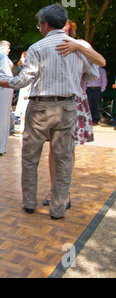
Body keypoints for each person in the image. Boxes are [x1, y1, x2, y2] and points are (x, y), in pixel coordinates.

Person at [0, 3, 99, 220]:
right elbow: (92, 74)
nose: (39, 28)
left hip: (40, 107)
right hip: (68, 107)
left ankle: (29, 202)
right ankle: (58, 209)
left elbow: (22, 80)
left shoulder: (37, 48)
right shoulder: (77, 46)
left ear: (45, 24)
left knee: (31, 156)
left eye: (39, 24)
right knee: (64, 158)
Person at [43, 19, 106, 207]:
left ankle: (63, 191)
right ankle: (53, 188)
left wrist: (77, 47)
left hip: (74, 101)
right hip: (52, 102)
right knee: (53, 148)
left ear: (68, 25)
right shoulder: (48, 45)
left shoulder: (81, 44)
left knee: (67, 149)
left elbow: (101, 61)